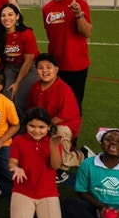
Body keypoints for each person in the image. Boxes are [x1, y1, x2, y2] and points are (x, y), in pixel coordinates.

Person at [42, 0, 93, 111]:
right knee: (55, 102)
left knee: (74, 104)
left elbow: (87, 32)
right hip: (55, 64)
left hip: (76, 64)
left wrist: (78, 14)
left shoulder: (79, 4)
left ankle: (72, 133)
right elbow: (51, 34)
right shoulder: (47, 8)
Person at [29, 53, 85, 182]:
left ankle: (66, 165)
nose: (45, 71)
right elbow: (31, 109)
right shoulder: (35, 87)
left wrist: (45, 126)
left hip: (64, 124)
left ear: (56, 69)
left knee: (58, 133)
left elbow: (65, 115)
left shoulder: (63, 89)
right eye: (41, 68)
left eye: (49, 67)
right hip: (45, 124)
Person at [9, 107, 64, 218]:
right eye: (32, 126)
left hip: (47, 192)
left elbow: (55, 166)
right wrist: (16, 168)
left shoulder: (54, 142)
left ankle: (35, 213)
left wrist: (54, 147)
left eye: (41, 127)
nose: (37, 130)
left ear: (49, 127)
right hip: (23, 190)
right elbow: (12, 162)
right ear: (26, 125)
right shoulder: (18, 140)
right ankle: (31, 212)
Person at [0, 3, 39, 112]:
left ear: (17, 16)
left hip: (29, 67)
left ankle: (23, 126)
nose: (7, 18)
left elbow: (28, 61)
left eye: (10, 15)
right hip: (11, 67)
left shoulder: (26, 33)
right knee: (7, 97)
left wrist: (17, 83)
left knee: (19, 99)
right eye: (3, 15)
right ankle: (9, 125)